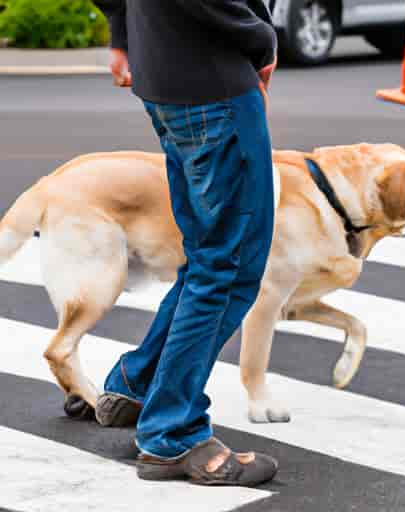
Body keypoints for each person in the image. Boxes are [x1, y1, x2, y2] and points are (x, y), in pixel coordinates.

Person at [93, 0, 278, 487]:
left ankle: (138, 383)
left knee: (210, 258)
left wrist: (122, 27)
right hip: (212, 78)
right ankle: (172, 433)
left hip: (168, 75)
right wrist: (260, 39)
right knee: (229, 267)